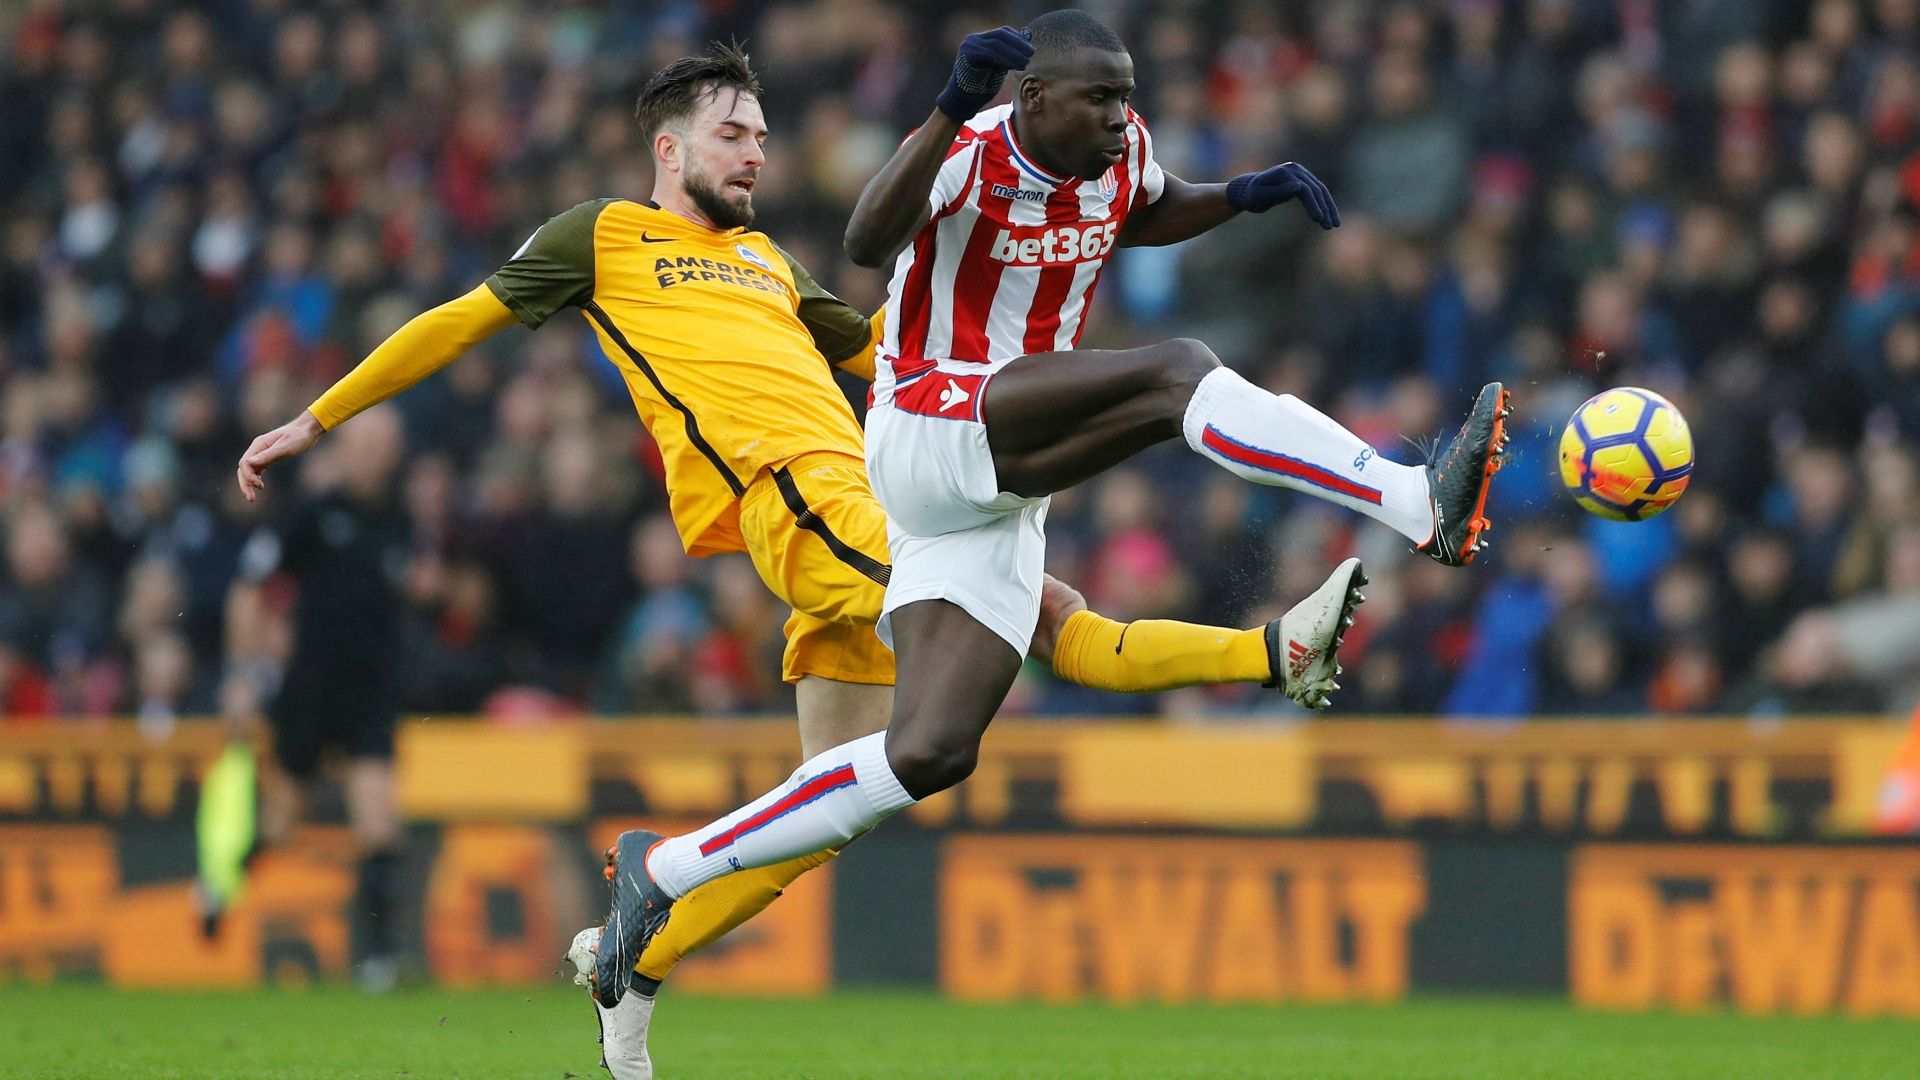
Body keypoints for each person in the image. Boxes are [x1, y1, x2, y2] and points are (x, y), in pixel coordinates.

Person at [237, 44, 1366, 1079]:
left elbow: (893, 351)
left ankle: (633, 968)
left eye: (766, 135)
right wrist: (320, 421)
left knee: (827, 808)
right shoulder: (605, 238)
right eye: (735, 134)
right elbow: (458, 320)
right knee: (1037, 619)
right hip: (796, 505)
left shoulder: (771, 261)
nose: (758, 152)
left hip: (866, 501)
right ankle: (1272, 655)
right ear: (669, 147)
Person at [590, 11, 1511, 1011]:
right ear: (1034, 99)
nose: (1122, 117)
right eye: (1101, 99)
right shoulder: (974, 147)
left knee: (929, 752)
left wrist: (1242, 195)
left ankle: (667, 868)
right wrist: (948, 102)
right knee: (1177, 375)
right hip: (929, 423)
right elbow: (865, 239)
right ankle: (1416, 499)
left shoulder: (1127, 151)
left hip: (994, 484)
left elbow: (1146, 207)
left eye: (1127, 98)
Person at [223, 405, 413, 991]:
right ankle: (222, 878)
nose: (378, 455)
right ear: (345, 447)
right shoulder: (311, 514)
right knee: (283, 822)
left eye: (388, 444)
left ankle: (377, 958)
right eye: (368, 443)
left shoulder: (400, 519)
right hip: (310, 687)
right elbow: (250, 588)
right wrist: (243, 671)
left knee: (379, 819)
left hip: (371, 689)